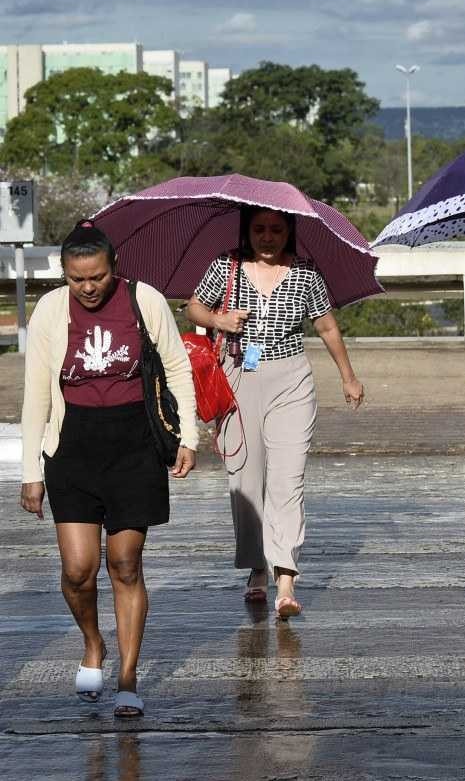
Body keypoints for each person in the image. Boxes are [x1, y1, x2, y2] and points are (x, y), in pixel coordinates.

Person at [20, 220, 198, 717]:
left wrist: (189, 437)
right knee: (78, 570)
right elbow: (35, 393)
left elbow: (178, 367)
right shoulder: (51, 310)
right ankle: (93, 643)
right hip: (72, 447)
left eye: (96, 276)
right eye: (77, 279)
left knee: (125, 565)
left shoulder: (145, 300)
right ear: (64, 274)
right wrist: (29, 471)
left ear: (113, 268)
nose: (88, 287)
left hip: (133, 447)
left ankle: (127, 675)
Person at [186, 206, 364, 620]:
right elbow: (193, 307)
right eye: (260, 229)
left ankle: (285, 578)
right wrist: (218, 319)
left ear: (289, 232)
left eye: (277, 230)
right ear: (248, 231)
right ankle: (255, 568)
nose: (268, 237)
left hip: (291, 379)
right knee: (246, 479)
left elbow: (327, 327)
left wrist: (348, 377)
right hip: (238, 376)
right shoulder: (226, 265)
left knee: (288, 478)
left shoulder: (305, 273)